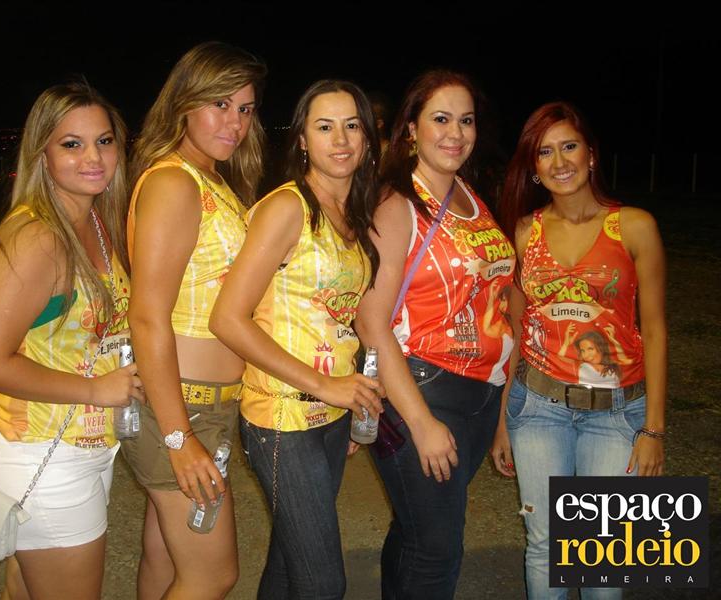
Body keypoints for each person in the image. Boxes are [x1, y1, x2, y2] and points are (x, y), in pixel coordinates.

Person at [0, 82, 142, 600]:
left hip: (82, 446)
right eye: (71, 144)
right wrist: (96, 390)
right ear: (41, 152)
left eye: (104, 141)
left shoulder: (95, 222)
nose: (93, 158)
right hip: (42, 453)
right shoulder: (38, 237)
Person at [209, 80, 385, 600]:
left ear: (368, 138)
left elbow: (338, 321)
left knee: (289, 564)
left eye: (352, 126)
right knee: (323, 582)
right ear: (303, 140)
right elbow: (228, 319)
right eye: (325, 127)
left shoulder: (352, 215)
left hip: (330, 415)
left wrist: (346, 400)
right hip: (282, 415)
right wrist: (326, 387)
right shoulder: (287, 208)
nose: (341, 140)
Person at [491, 101, 667, 600]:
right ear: (534, 167)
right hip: (538, 409)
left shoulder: (633, 226)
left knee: (602, 558)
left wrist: (653, 429)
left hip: (617, 413)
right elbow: (517, 328)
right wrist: (503, 421)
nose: (559, 161)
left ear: (591, 154)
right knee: (545, 546)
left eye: (569, 146)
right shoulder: (524, 232)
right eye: (544, 152)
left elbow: (655, 330)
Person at [354, 69, 516, 599]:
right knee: (438, 549)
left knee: (418, 531)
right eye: (441, 119)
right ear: (411, 129)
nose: (455, 133)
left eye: (466, 120)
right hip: (423, 392)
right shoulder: (397, 205)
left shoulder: (470, 195)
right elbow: (371, 321)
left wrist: (500, 412)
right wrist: (421, 424)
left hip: (480, 394)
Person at [122, 42, 266, 599]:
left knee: (164, 558)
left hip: (203, 404)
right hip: (180, 407)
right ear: (184, 102)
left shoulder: (210, 179)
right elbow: (147, 317)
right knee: (212, 575)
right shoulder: (173, 182)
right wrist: (179, 436)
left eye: (245, 109)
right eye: (220, 104)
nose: (235, 123)